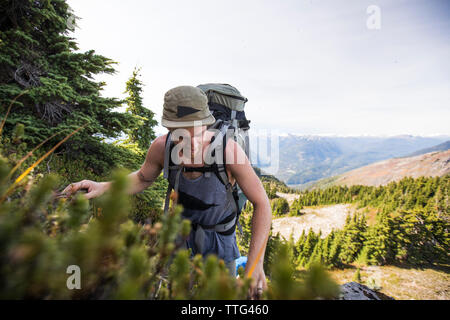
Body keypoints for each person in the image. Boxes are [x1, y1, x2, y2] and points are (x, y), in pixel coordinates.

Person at [62, 86, 272, 299]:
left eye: (197, 132)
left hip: (220, 240)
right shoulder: (162, 147)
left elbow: (262, 204)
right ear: (170, 129)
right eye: (181, 135)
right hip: (178, 235)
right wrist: (102, 186)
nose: (191, 143)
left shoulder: (228, 150)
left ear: (207, 124)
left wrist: (256, 265)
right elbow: (143, 177)